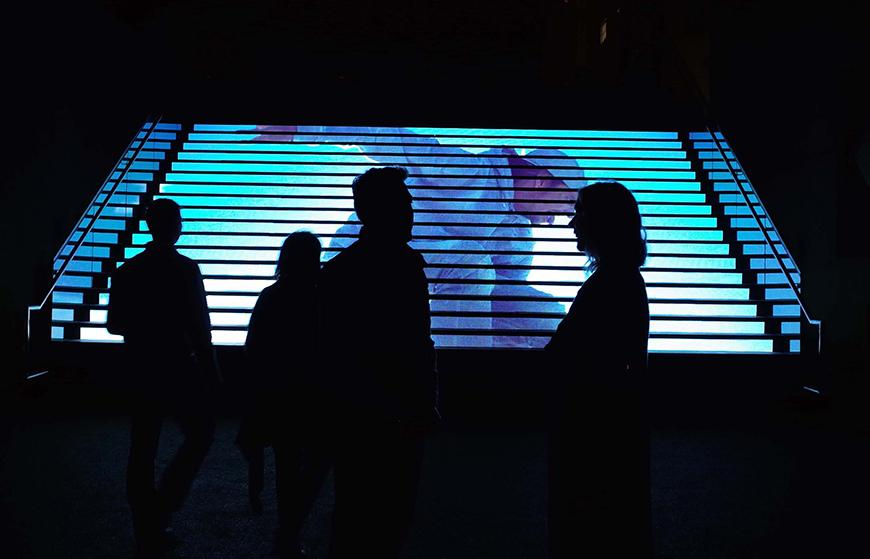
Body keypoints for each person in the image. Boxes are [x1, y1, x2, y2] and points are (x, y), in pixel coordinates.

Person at [253, 125, 583, 347]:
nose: (556, 220)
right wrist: (301, 129)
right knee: (472, 263)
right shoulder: (466, 173)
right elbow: (384, 134)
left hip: (425, 285)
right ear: (542, 180)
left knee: (546, 317)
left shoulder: (518, 235)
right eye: (566, 204)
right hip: (366, 265)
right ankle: (451, 382)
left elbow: (500, 298)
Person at [319, 167, 438, 558]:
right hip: (397, 411)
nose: (411, 212)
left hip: (354, 412)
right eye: (404, 205)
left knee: (354, 508)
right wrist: (425, 403)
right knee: (393, 514)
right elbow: (419, 343)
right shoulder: (407, 267)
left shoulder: (337, 271)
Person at [106, 198, 220, 554]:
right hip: (177, 365)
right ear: (176, 226)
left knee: (143, 445)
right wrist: (210, 368)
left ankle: (146, 522)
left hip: (141, 364)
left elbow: (114, 324)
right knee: (200, 434)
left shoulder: (127, 272)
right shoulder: (186, 269)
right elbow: (201, 328)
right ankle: (163, 505)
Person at [545, 182, 652, 558]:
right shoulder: (625, 281)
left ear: (602, 223)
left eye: (581, 213)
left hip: (592, 422)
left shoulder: (606, 285)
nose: (572, 223)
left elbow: (567, 353)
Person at [236, 231, 331, 558]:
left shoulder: (271, 296)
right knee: (318, 459)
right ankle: (290, 528)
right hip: (316, 392)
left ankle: (287, 530)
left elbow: (254, 349)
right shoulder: (324, 296)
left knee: (287, 463)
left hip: (279, 394)